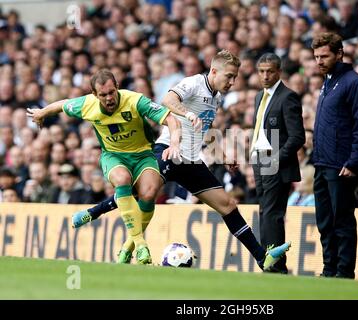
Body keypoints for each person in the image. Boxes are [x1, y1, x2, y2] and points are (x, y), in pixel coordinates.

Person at [71, 50, 291, 271]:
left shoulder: (216, 97)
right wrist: (186, 114)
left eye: (235, 77)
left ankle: (262, 258)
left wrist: (222, 155)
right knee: (142, 193)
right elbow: (168, 99)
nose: (232, 82)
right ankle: (95, 214)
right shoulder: (194, 83)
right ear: (214, 71)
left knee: (228, 205)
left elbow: (205, 126)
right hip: (168, 150)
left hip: (191, 160)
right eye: (229, 76)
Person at [27, 69, 182, 265]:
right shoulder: (87, 105)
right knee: (122, 180)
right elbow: (63, 104)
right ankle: (141, 245)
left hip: (143, 154)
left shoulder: (134, 100)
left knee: (149, 193)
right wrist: (42, 113)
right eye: (103, 95)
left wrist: (174, 142)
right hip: (113, 156)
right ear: (94, 95)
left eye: (112, 92)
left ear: (117, 87)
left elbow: (170, 118)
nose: (109, 98)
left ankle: (127, 248)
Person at [311, 32, 358, 279]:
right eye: (316, 56)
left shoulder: (354, 83)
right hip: (322, 163)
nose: (319, 61)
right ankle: (329, 269)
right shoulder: (327, 82)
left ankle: (345, 272)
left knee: (342, 221)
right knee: (325, 222)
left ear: (339, 54)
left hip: (341, 165)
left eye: (324, 56)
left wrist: (354, 162)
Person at [251, 53, 305, 273]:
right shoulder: (258, 97)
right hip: (260, 161)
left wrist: (276, 159)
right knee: (265, 212)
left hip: (275, 163)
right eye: (261, 71)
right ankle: (268, 262)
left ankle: (276, 265)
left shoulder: (288, 97)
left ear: (279, 72)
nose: (265, 75)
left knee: (272, 214)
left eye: (270, 71)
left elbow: (297, 137)